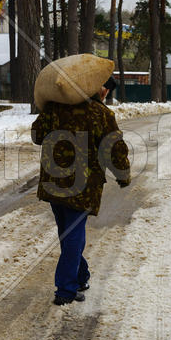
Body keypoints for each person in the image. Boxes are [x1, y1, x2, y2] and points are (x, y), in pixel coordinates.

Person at [31, 77, 131, 305]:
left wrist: (49, 112)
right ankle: (65, 290)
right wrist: (123, 175)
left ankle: (79, 276)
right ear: (95, 87)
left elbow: (37, 136)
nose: (105, 92)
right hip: (82, 187)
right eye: (105, 87)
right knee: (74, 236)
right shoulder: (101, 114)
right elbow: (115, 149)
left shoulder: (56, 107)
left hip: (53, 183)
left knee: (67, 233)